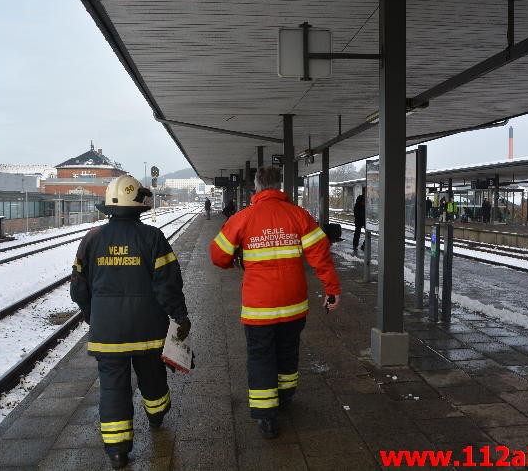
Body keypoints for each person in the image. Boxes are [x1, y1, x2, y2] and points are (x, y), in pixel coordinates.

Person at [209, 166, 341, 439]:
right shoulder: (299, 215)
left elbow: (218, 255)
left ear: (257, 186)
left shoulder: (243, 218)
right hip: (294, 304)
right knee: (288, 351)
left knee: (260, 356)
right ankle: (286, 397)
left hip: (259, 308)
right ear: (279, 185)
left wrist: (236, 258)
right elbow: (320, 254)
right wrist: (332, 289)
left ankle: (266, 416)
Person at [70, 175, 191, 470]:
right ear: (139, 205)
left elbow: (78, 288)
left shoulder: (92, 239)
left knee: (113, 388)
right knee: (152, 376)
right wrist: (179, 315)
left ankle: (118, 451)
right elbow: (169, 284)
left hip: (107, 333)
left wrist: (93, 316)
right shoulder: (152, 238)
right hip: (148, 330)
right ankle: (157, 415)